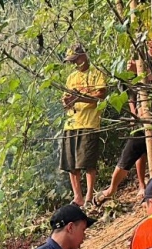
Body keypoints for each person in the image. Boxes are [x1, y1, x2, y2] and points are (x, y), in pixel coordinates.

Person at [95, 59, 152, 202]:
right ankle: (112, 188)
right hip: (143, 120)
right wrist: (134, 113)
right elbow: (131, 93)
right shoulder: (137, 61)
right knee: (128, 155)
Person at [60, 43, 108, 206]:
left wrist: (79, 98)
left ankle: (89, 195)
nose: (74, 63)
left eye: (76, 59)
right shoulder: (71, 78)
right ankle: (77, 196)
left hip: (89, 122)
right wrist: (67, 102)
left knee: (88, 161)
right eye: (71, 61)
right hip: (71, 123)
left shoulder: (97, 73)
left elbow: (100, 97)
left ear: (84, 56)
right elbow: (66, 99)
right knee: (71, 163)